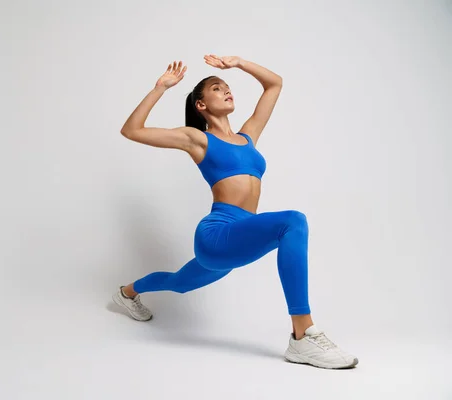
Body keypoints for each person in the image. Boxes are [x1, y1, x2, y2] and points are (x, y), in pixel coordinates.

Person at [112, 55, 358, 369]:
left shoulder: (248, 137)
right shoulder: (197, 139)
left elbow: (274, 84)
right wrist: (160, 87)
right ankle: (302, 335)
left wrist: (239, 63)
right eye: (217, 88)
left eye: (228, 88)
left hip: (240, 234)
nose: (227, 91)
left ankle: (127, 292)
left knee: (179, 282)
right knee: (293, 222)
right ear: (201, 105)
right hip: (217, 233)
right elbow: (132, 130)